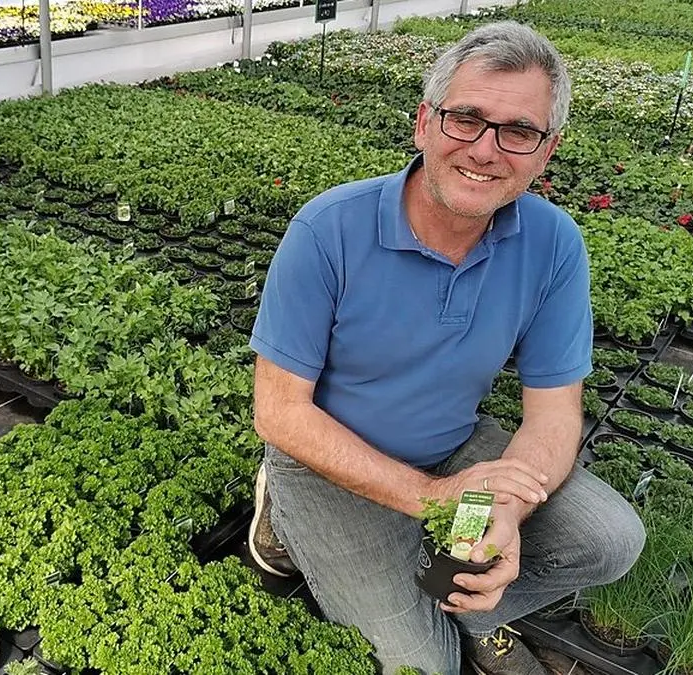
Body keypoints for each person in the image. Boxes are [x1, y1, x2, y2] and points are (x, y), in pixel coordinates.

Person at [247, 21, 646, 675]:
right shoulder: (328, 229)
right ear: (425, 123)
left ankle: (470, 603)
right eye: (466, 119)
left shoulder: (552, 243)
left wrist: (506, 512)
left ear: (547, 150)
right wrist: (435, 500)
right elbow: (279, 412)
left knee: (610, 539)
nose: (486, 150)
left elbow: (553, 414)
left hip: (455, 448)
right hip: (324, 465)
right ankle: (288, 521)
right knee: (426, 667)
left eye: (518, 131)